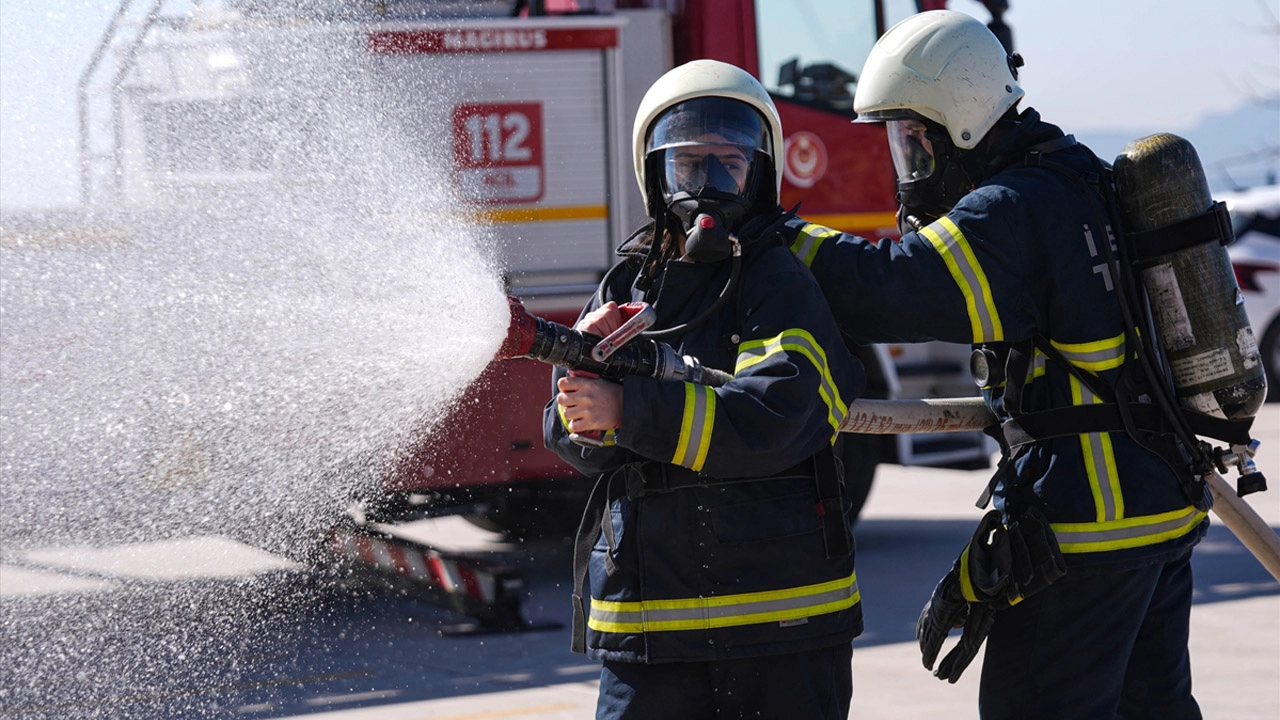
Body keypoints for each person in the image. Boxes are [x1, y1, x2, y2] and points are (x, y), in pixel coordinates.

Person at [789, 10, 1210, 719]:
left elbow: (891, 290)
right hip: (1160, 512)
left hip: (1090, 532)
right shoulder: (1076, 173)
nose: (909, 169)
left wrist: (772, 237)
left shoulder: (1012, 207)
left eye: (913, 143)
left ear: (958, 122)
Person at [543, 59, 866, 719]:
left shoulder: (780, 281)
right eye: (689, 164)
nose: (709, 182)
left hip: (782, 628)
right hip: (650, 631)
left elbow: (777, 413)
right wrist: (583, 391)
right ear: (656, 174)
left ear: (761, 172)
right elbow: (566, 429)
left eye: (729, 161)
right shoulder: (627, 285)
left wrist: (629, 408)